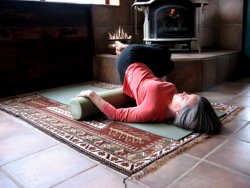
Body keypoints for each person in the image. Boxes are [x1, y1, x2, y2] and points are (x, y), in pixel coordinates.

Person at [77, 41, 222, 134]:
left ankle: (123, 48)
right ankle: (124, 48)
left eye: (185, 98)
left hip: (128, 62)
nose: (183, 92)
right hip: (145, 68)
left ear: (180, 113)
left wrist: (92, 95)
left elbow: (115, 114)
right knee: (169, 65)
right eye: (187, 94)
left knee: (165, 52)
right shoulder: (173, 95)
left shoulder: (150, 111)